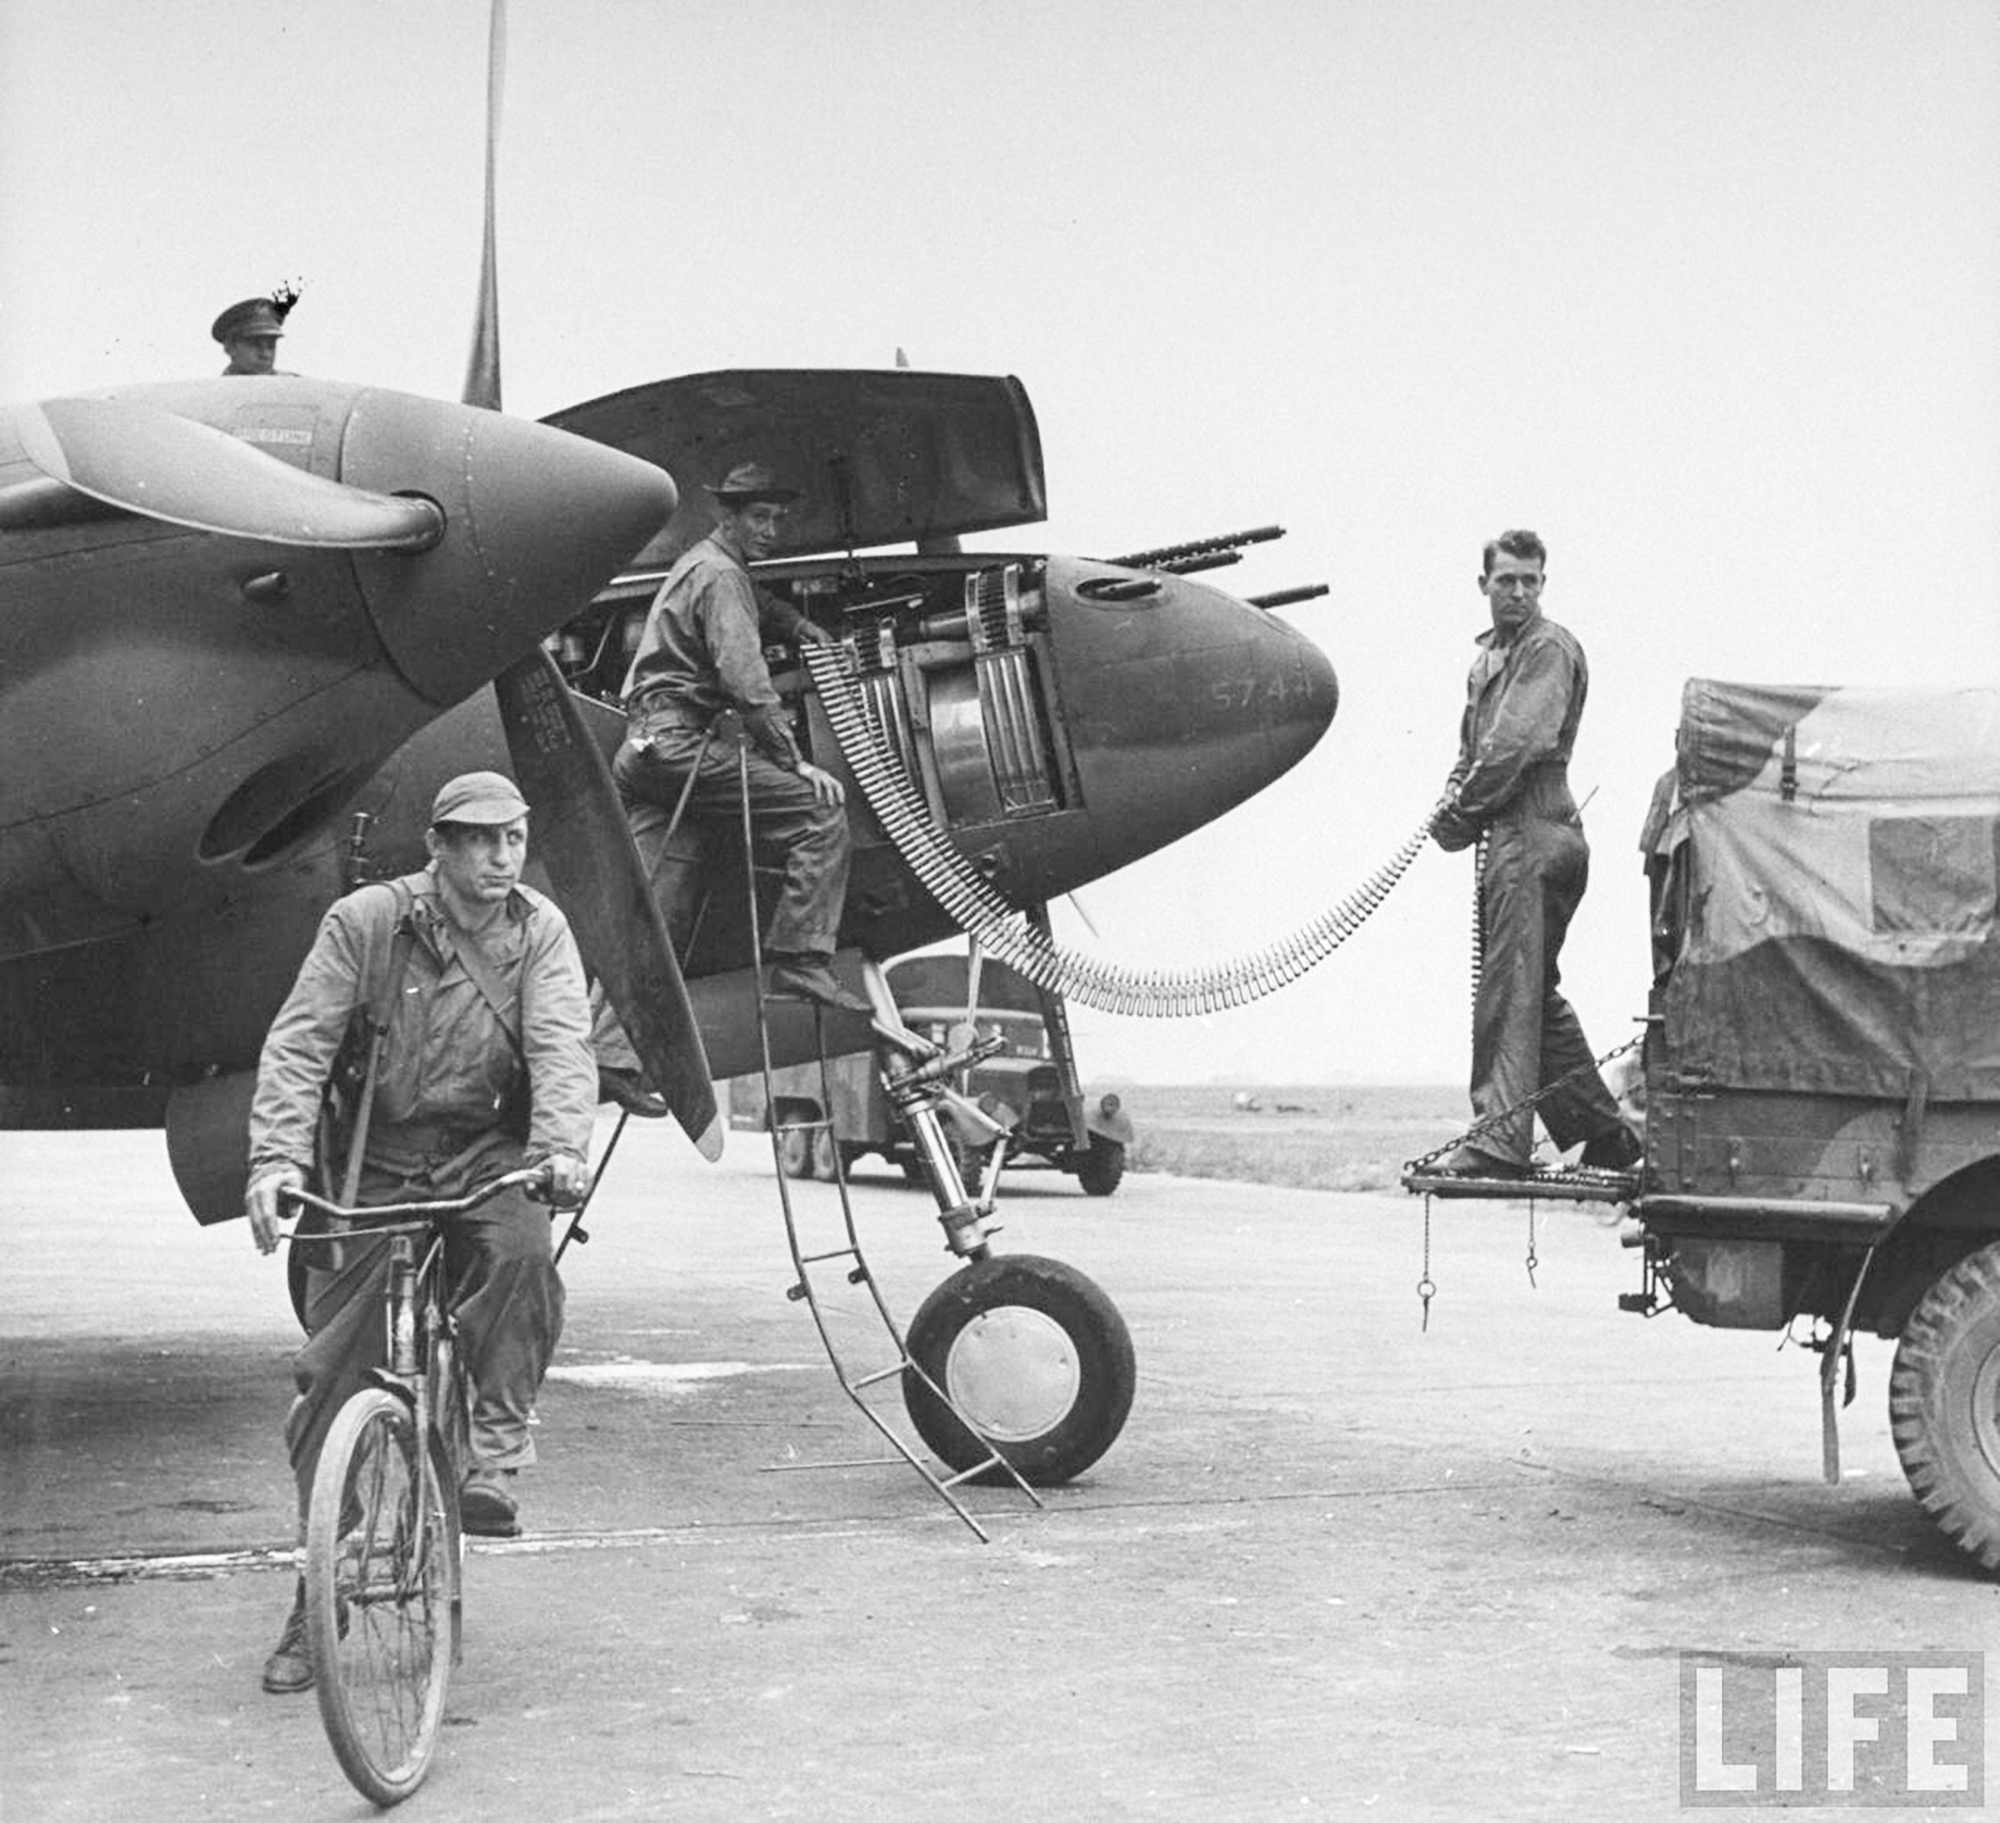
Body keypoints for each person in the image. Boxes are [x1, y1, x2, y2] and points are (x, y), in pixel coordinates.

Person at [243, 770, 597, 1693]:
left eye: (514, 839)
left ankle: (494, 1449)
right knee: (330, 1378)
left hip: (489, 1156)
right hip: (380, 1162)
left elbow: (564, 1043)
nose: (501, 857)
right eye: (480, 840)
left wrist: (560, 1149)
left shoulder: (538, 932)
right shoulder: (366, 922)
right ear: (437, 846)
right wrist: (276, 1162)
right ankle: (319, 1583)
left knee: (524, 1258)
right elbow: (300, 1043)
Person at [608, 459, 869, 1033]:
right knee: (820, 812)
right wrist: (794, 761)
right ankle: (801, 958)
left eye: (778, 518)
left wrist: (798, 626)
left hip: (648, 752)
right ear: (727, 516)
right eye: (759, 517)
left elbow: (757, 603)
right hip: (680, 747)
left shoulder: (709, 564)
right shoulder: (722, 577)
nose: (772, 530)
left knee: (657, 909)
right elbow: (747, 683)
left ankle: (612, 1045)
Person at [1428, 530, 1640, 1177]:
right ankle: (1606, 1136)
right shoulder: (1488, 660)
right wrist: (1451, 805)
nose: (1518, 591)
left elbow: (1516, 745)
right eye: (1506, 580)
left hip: (1536, 826)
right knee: (1532, 993)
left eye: (1530, 580)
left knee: (1509, 990)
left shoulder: (1547, 647)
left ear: (1543, 585)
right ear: (1483, 585)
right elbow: (1472, 754)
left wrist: (1461, 811)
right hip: (1508, 831)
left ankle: (1497, 1140)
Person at [211, 288, 295, 376]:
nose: (265, 354)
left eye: (271, 346)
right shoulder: (216, 389)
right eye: (255, 344)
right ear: (229, 347)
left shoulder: (294, 386)